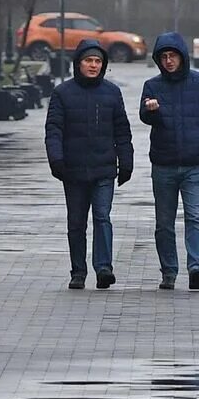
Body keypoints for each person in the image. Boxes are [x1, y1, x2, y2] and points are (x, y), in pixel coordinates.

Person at [44, 39, 133, 290]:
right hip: (73, 169)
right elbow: (54, 129)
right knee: (76, 222)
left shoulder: (112, 92)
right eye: (88, 61)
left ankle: (104, 268)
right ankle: (78, 271)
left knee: (102, 217)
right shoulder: (63, 93)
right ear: (78, 63)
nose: (93, 65)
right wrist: (56, 158)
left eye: (98, 61)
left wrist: (126, 161)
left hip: (104, 167)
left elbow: (122, 130)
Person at [139, 31, 199, 290]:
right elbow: (144, 116)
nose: (168, 61)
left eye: (172, 55)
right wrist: (151, 111)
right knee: (164, 223)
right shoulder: (152, 86)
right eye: (163, 57)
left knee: (194, 217)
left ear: (182, 57)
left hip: (195, 164)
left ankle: (196, 267)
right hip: (163, 164)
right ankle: (169, 271)